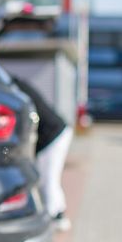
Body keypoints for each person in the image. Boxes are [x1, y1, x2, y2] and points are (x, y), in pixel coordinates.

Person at [11, 76, 73, 231]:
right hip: (59, 132)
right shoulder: (19, 85)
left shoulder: (16, 89)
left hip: (54, 136)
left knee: (48, 179)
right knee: (49, 178)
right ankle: (58, 213)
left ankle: (53, 220)